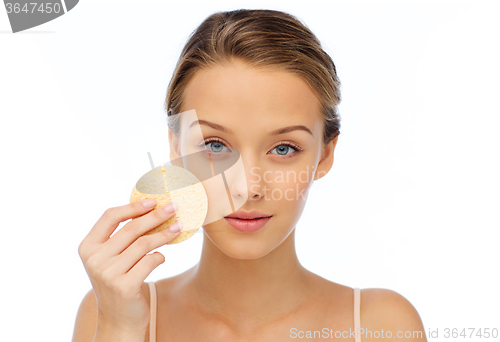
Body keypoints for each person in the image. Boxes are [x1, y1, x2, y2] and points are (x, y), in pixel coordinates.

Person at [72, 9, 427, 342]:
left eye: (284, 148)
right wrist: (119, 327)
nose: (247, 187)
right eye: (214, 145)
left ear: (325, 154)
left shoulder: (381, 326)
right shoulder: (110, 311)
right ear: (177, 149)